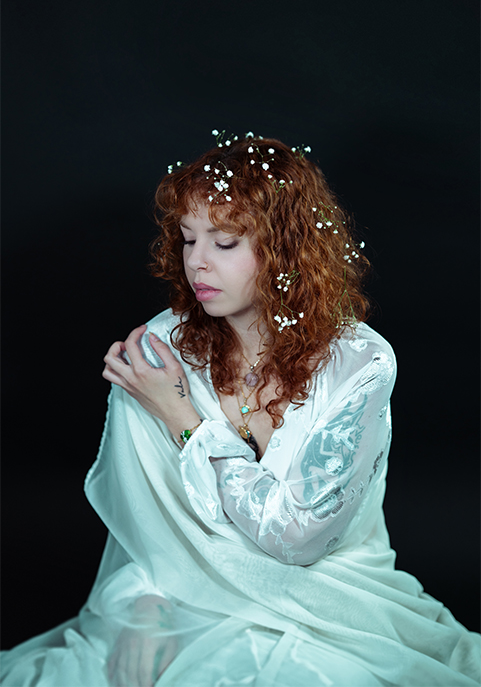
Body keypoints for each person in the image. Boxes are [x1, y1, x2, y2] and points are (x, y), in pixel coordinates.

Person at [1, 132, 479, 687]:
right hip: (190, 587)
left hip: (328, 599)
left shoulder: (358, 362)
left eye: (224, 242)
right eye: (188, 239)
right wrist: (147, 601)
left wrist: (185, 420)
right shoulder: (164, 348)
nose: (196, 263)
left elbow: (296, 539)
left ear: (285, 249)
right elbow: (143, 510)